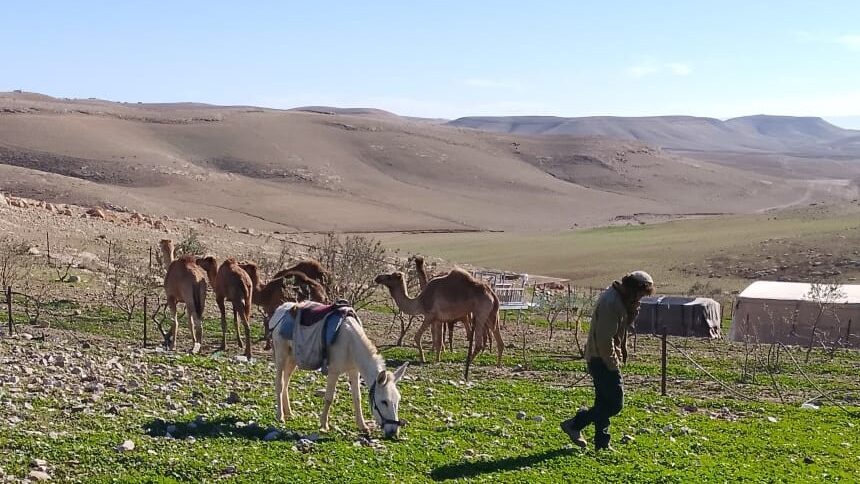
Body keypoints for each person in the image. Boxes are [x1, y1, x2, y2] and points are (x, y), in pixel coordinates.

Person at [561, 271, 654, 451]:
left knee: (602, 403)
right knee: (614, 404)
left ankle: (602, 444)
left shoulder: (621, 300)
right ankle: (575, 424)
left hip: (601, 357)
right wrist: (613, 365)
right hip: (602, 359)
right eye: (641, 295)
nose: (641, 299)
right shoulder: (612, 303)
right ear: (633, 289)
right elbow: (605, 339)